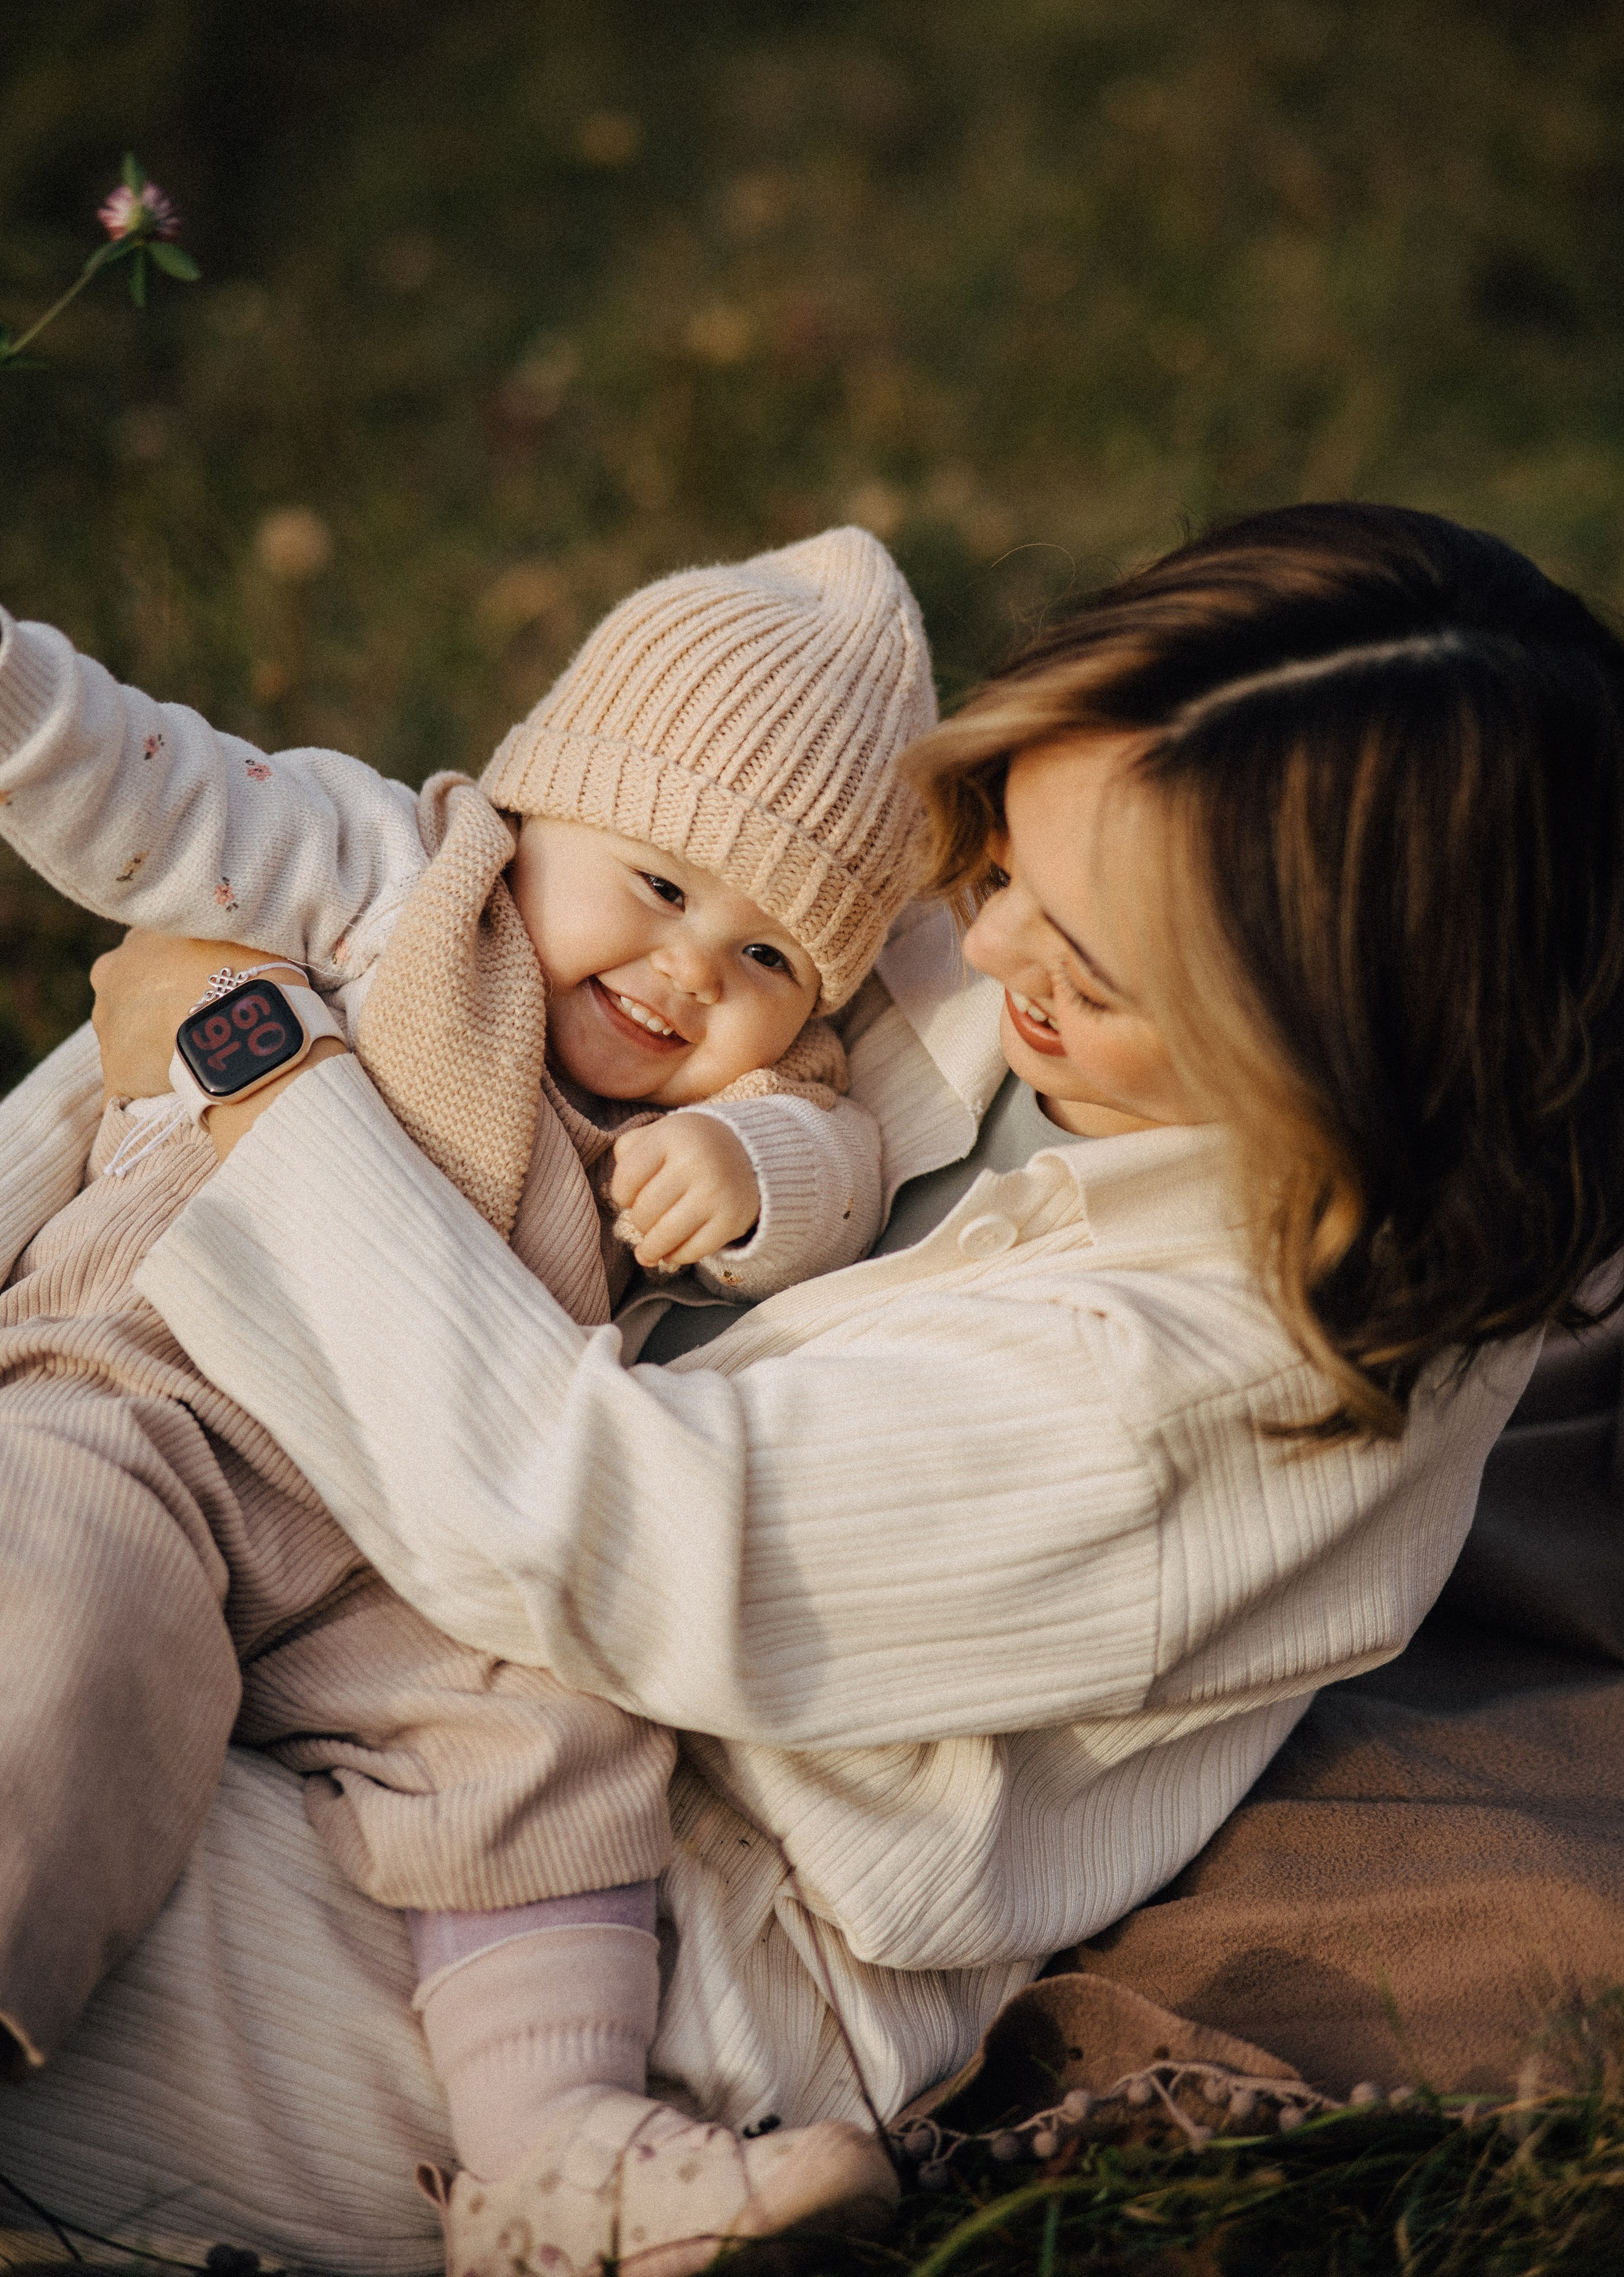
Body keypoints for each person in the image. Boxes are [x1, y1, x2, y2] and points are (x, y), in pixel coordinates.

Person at [22, 502, 1624, 2277]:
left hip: (571, 1907)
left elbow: (587, 1537)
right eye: (1002, 856)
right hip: (346, 1549)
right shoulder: (1073, 953)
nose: (987, 943)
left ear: (1329, 1049)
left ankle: (569, 2182)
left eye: (1086, 969)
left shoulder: (1202, 1401)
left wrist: (246, 1060)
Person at [0, 528, 938, 2258]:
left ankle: (559, 2162)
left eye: (768, 962)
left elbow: (839, 1166)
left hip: (411, 1552)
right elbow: (154, 785)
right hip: (160, 1411)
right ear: (539, 804)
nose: (689, 979)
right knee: (57, 1605)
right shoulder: (383, 867)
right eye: (660, 890)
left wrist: (746, 1164)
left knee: (562, 1746)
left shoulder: (756, 1095)